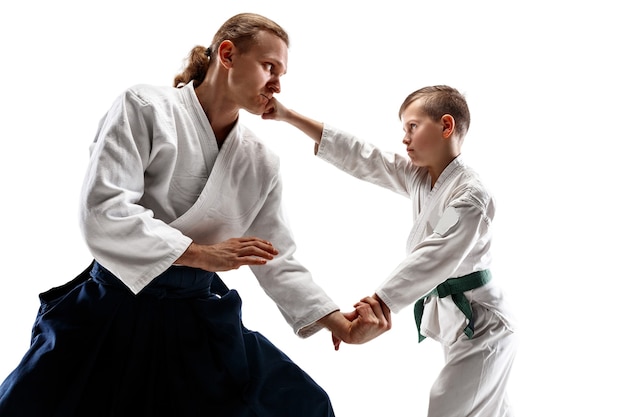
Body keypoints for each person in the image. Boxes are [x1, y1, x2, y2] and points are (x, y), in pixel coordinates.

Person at [0, 13, 391, 417]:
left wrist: (340, 325)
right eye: (269, 67)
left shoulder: (260, 162)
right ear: (227, 55)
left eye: (282, 73)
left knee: (303, 404)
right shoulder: (145, 107)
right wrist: (203, 254)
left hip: (197, 317)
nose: (277, 83)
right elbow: (104, 210)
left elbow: (277, 259)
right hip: (114, 305)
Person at [263, 85, 518, 417]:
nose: (404, 138)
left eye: (412, 127)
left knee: (447, 406)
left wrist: (379, 301)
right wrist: (288, 115)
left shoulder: (470, 197)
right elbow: (364, 156)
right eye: (404, 129)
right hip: (460, 321)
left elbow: (435, 251)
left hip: (485, 326)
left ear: (446, 126)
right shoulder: (419, 177)